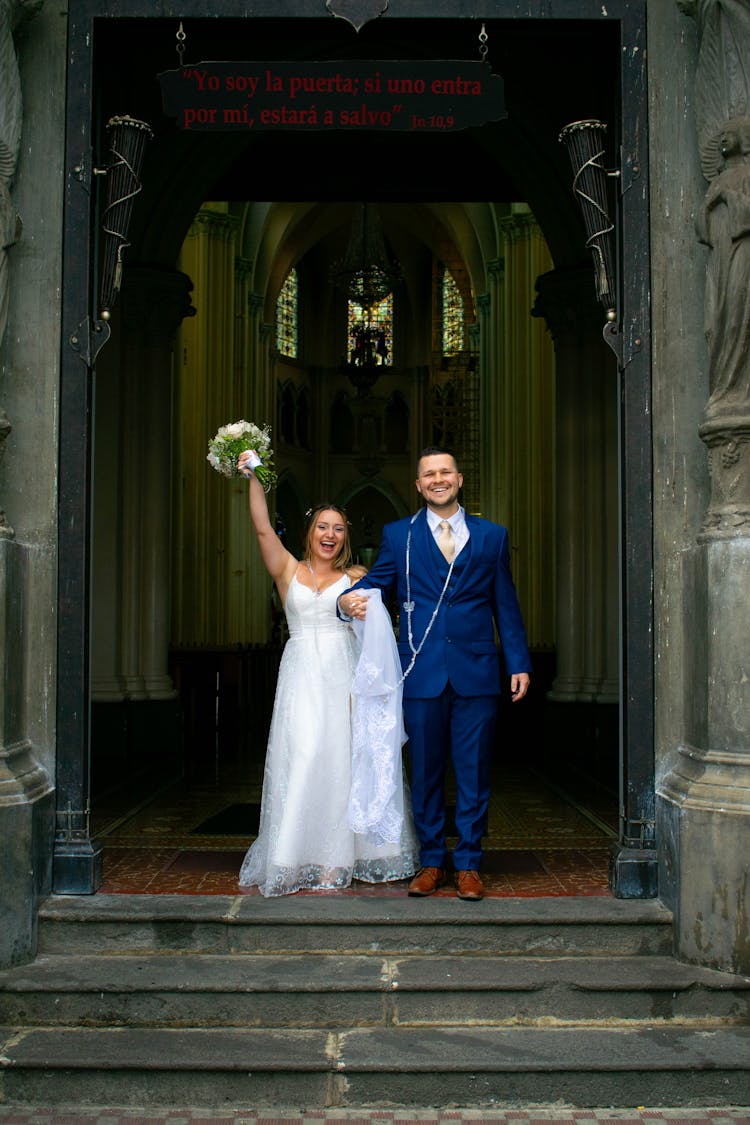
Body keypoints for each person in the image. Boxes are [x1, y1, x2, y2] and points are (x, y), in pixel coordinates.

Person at [338, 447, 531, 902]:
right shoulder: (398, 535)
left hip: (478, 671)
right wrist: (344, 603)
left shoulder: (492, 537)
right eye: (429, 474)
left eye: (445, 472)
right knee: (424, 771)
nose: (438, 479)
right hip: (419, 670)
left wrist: (518, 661)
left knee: (473, 769)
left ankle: (468, 862)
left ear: (459, 480)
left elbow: (506, 602)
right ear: (419, 485)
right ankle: (430, 861)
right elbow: (377, 582)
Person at [236, 450, 418, 897]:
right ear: (309, 533)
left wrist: (361, 609)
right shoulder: (287, 570)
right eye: (323, 527)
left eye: (338, 528)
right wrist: (253, 476)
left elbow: (373, 624)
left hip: (344, 677)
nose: (330, 535)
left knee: (342, 761)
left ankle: (341, 858)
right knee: (301, 756)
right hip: (300, 677)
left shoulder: (356, 574)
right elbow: (261, 526)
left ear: (346, 538)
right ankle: (290, 855)